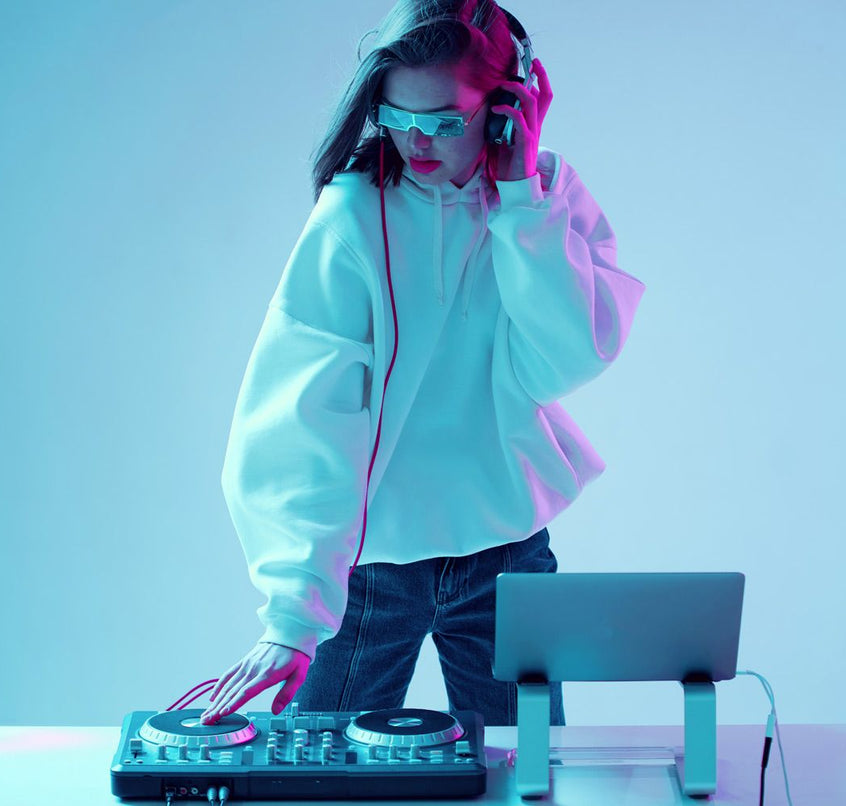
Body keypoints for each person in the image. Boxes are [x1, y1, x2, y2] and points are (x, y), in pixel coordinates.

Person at [200, 0, 644, 728]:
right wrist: (293, 611)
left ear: (509, 107)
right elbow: (304, 411)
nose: (415, 140)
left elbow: (568, 356)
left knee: (527, 773)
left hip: (506, 549)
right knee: (322, 770)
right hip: (373, 565)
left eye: (444, 120)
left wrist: (521, 199)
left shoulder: (546, 201)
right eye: (395, 115)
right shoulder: (352, 216)